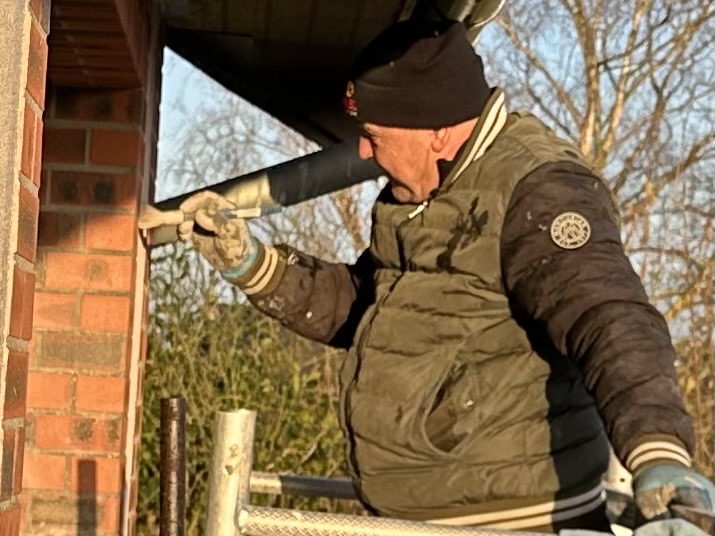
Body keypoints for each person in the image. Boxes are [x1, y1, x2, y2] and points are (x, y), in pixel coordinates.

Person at [169, 20, 715, 533]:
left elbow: (609, 316)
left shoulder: (538, 190)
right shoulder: (423, 195)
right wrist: (254, 266)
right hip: (415, 517)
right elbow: (370, 308)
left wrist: (658, 453)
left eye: (375, 133)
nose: (361, 150)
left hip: (511, 523)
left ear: (434, 130)